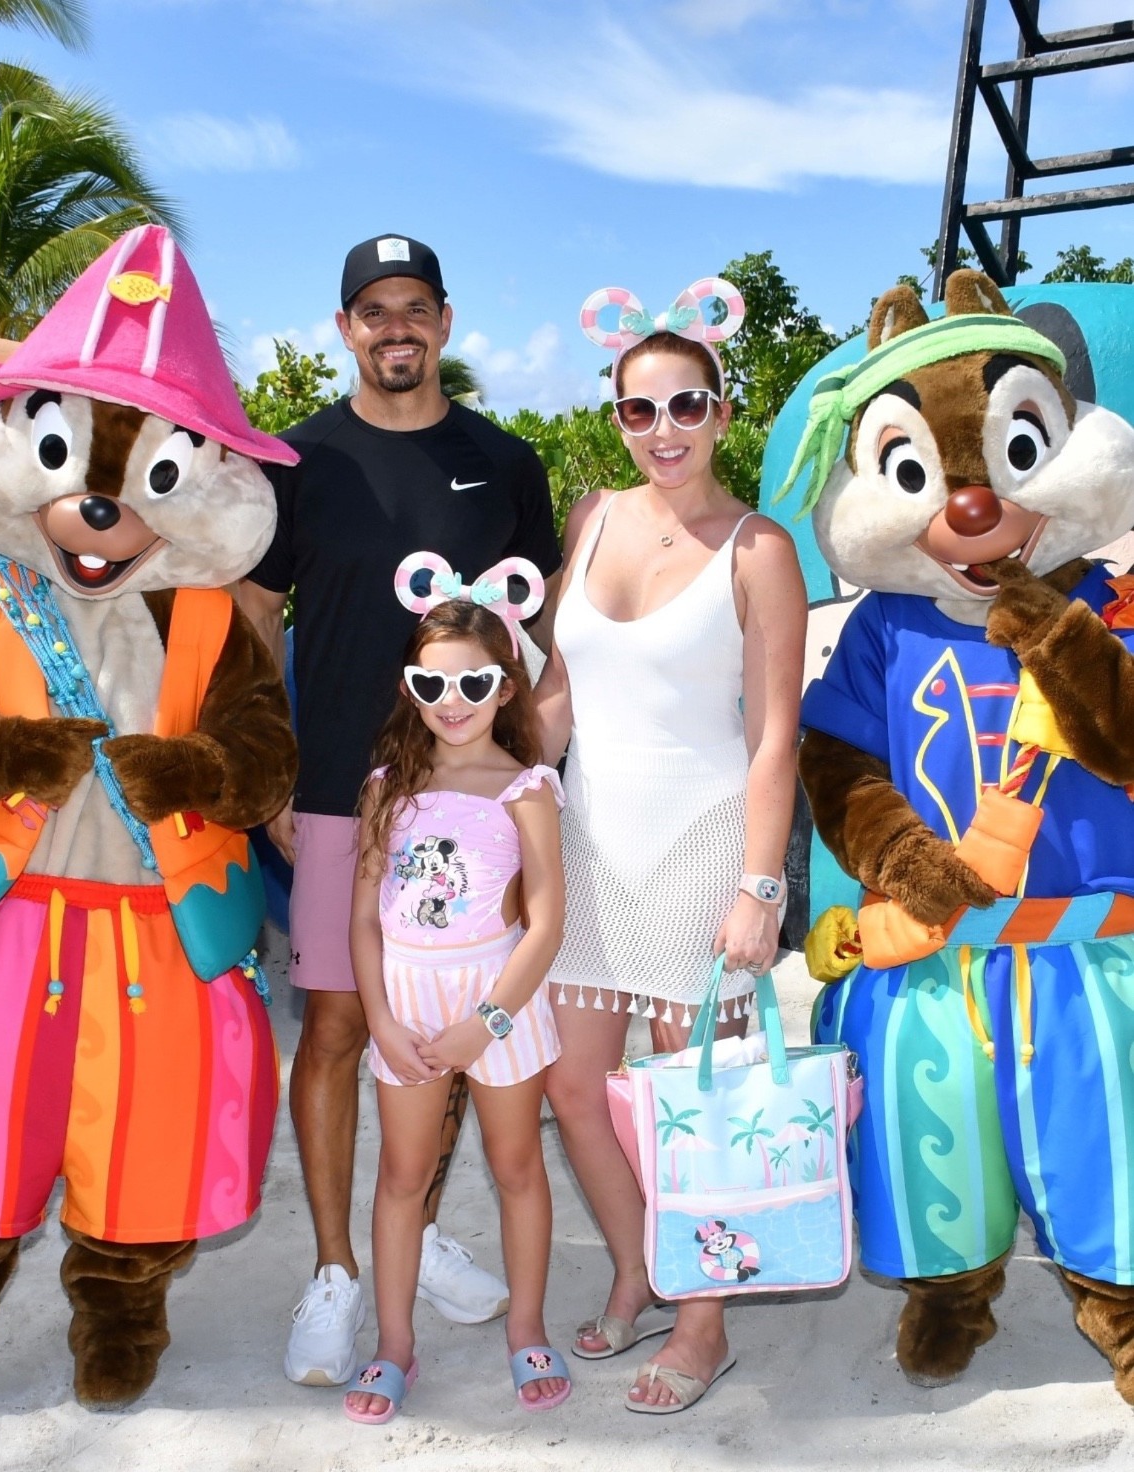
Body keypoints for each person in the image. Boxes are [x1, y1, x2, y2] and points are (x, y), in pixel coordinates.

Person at [237, 234, 562, 1387]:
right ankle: (336, 1269)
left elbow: (538, 633)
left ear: (444, 318)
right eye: (371, 310)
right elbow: (244, 614)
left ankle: (412, 1229)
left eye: (412, 307)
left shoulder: (504, 461)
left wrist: (542, 765)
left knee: (455, 1013)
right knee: (334, 1028)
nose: (393, 328)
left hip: (472, 807)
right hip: (334, 794)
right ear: (343, 328)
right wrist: (268, 765)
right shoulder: (294, 458)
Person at [536, 279, 808, 1413]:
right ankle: (643, 1262)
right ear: (615, 418)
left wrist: (756, 889)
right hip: (589, 839)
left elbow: (773, 734)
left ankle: (703, 1323)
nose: (663, 430)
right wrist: (465, 781)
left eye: (685, 405)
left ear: (722, 409)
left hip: (705, 842)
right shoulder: (591, 512)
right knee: (572, 1085)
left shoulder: (758, 548)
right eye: (640, 409)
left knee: (690, 1100)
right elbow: (557, 693)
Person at [344, 571, 568, 1423]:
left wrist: (489, 1022)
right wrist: (380, 1020)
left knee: (517, 1168)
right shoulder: (383, 787)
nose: (452, 699)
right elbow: (364, 922)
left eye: (473, 682)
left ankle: (527, 1327)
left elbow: (545, 923)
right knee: (403, 1177)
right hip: (403, 1003)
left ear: (504, 686)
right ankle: (394, 1343)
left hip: (498, 1001)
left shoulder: (527, 786)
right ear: (410, 686)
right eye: (431, 682)